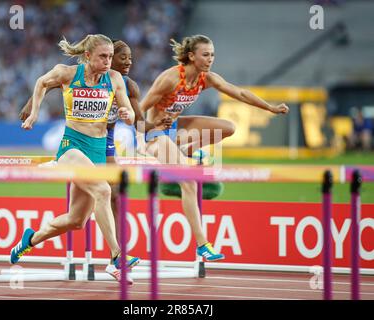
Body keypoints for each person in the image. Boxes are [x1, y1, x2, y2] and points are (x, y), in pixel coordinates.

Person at [18, 39, 172, 282]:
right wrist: (35, 112)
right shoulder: (67, 73)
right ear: (88, 55)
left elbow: (132, 117)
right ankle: (117, 256)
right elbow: (41, 83)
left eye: (110, 57)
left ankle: (30, 239)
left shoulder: (114, 79)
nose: (108, 62)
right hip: (72, 147)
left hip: (98, 151)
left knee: (76, 220)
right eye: (103, 57)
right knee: (103, 190)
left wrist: (126, 114)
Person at [140, 34, 289, 261]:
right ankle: (202, 244)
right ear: (191, 56)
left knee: (227, 127)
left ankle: (184, 149)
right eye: (206, 55)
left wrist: (269, 107)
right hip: (155, 134)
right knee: (189, 180)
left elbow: (239, 92)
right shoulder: (169, 79)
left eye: (213, 55)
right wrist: (154, 125)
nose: (211, 59)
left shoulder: (205, 78)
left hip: (176, 129)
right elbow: (137, 114)